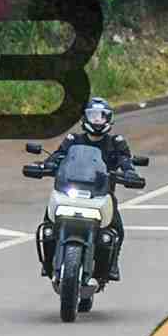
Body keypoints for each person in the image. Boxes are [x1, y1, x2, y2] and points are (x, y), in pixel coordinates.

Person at [41, 97, 137, 280]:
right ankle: (47, 261)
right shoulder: (73, 140)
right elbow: (58, 155)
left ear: (109, 119)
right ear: (85, 118)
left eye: (102, 116)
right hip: (69, 190)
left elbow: (125, 160)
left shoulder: (116, 142)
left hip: (101, 194)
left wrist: (130, 172)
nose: (97, 120)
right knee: (48, 223)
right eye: (93, 116)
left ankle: (112, 264)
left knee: (117, 228)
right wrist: (46, 165)